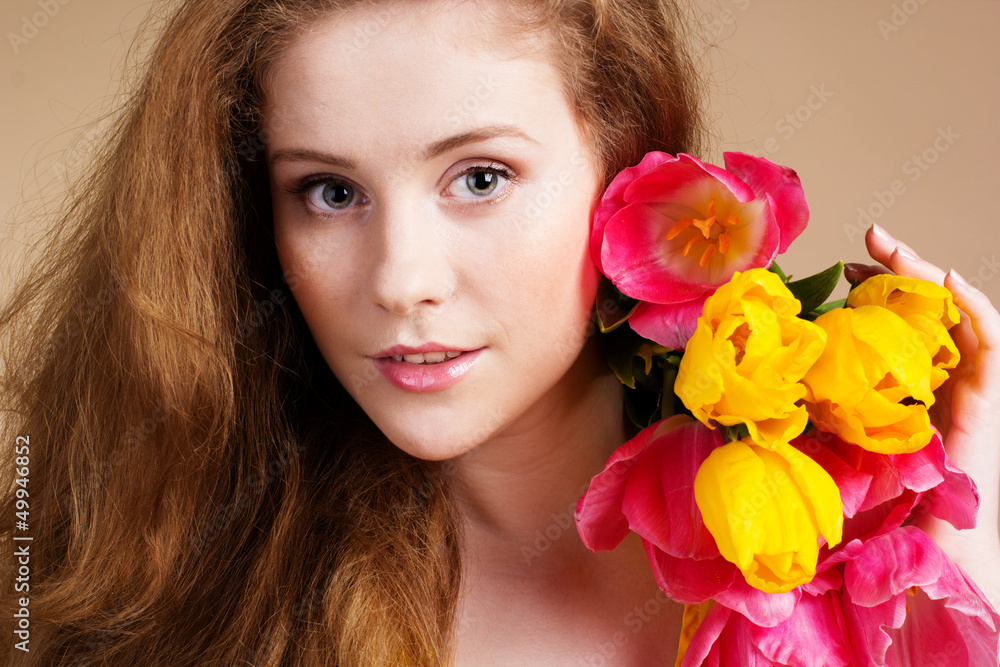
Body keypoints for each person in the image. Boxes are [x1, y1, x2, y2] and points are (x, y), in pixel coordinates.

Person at [1, 0, 997, 665]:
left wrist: (957, 585)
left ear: (630, 167)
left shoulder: (849, 580)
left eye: (478, 177)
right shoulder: (157, 578)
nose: (400, 280)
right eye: (329, 191)